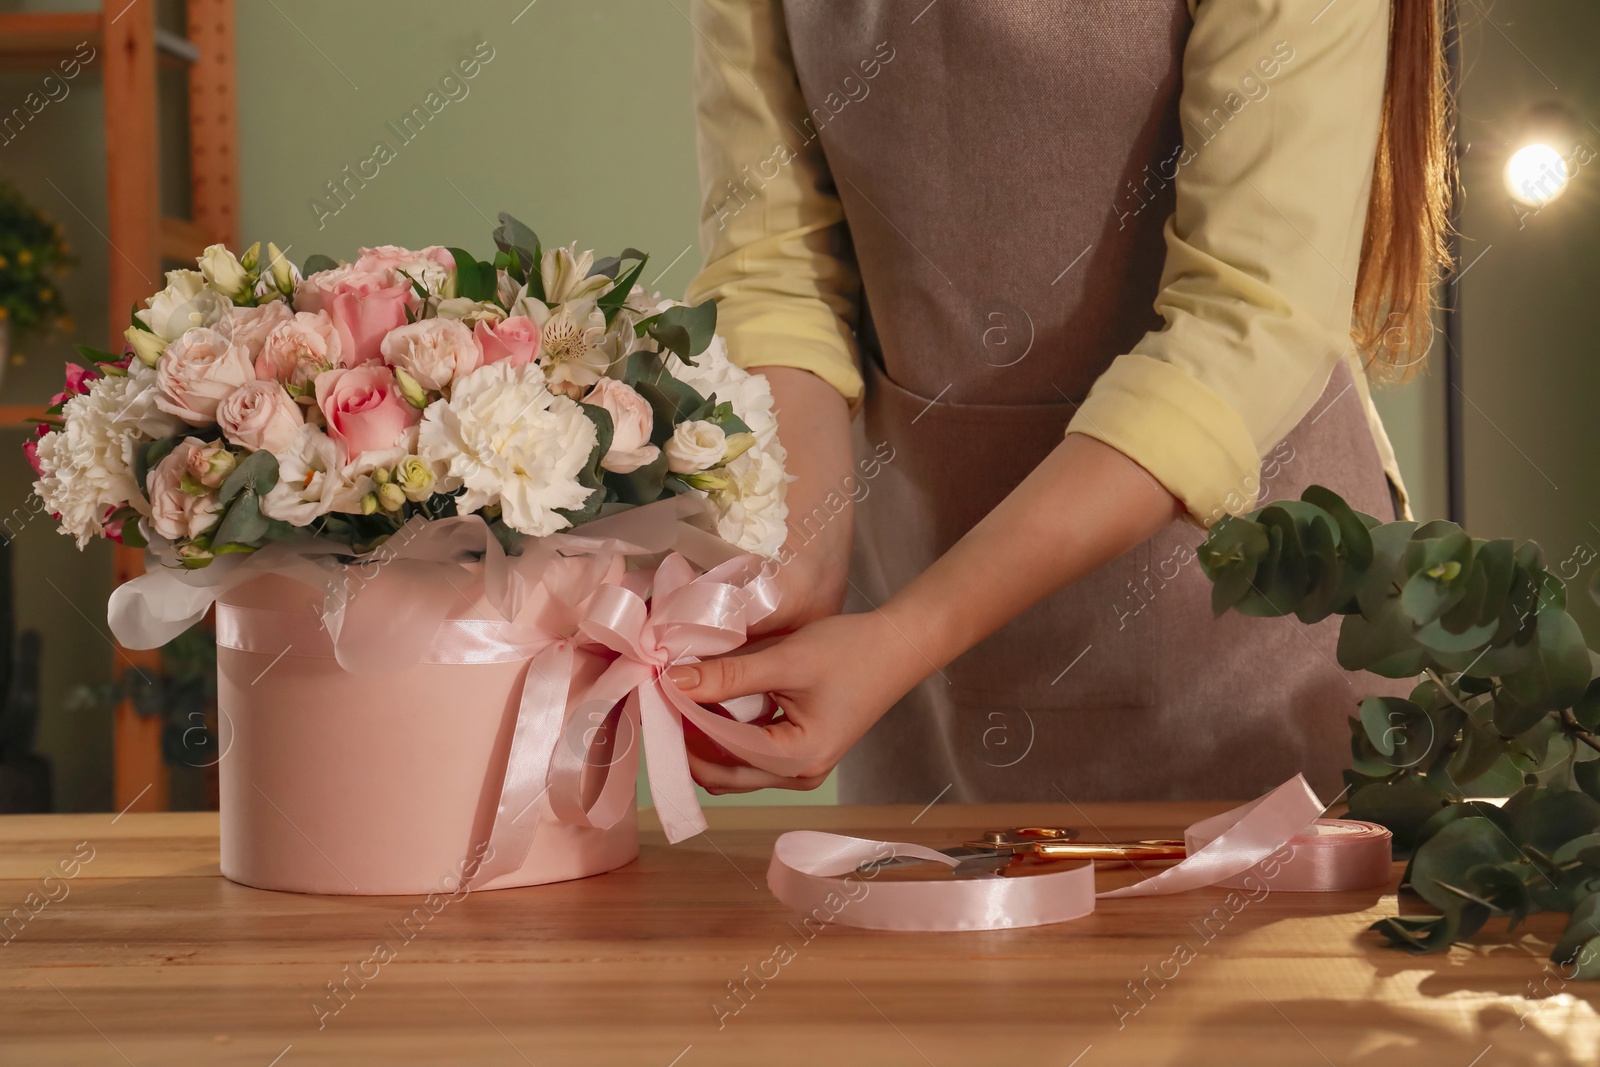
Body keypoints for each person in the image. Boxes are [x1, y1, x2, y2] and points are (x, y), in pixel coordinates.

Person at [669, 0, 1452, 805]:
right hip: (910, 663)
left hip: (1249, 649)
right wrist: (796, 564)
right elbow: (773, 269)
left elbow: (1243, 327)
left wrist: (903, 637)